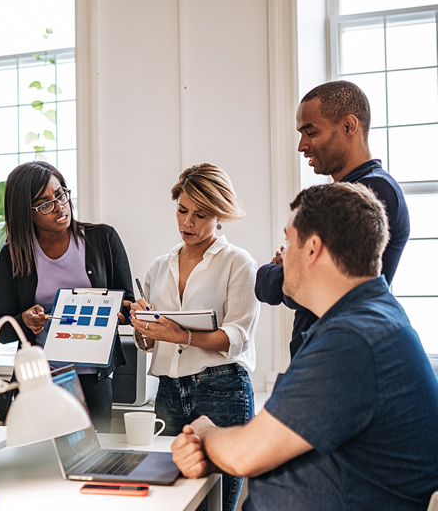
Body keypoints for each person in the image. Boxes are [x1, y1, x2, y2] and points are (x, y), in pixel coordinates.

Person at [172, 183, 438, 511]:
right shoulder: (368, 319)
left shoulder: (352, 341)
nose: (282, 255)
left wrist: (206, 434)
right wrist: (220, 451)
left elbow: (246, 453)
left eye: (288, 240)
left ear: (312, 248)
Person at [129, 163, 259, 511]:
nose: (188, 223)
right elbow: (152, 343)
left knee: (220, 503)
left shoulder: (238, 262)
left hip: (222, 390)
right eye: (182, 210)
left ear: (219, 215)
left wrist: (181, 335)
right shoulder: (159, 266)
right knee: (173, 501)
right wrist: (142, 328)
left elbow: (237, 337)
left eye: (200, 215)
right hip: (169, 393)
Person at [256, 80, 410, 357]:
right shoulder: (343, 192)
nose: (301, 146)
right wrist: (294, 263)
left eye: (310, 132)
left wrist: (276, 271)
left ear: (349, 126)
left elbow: (298, 286)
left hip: (343, 354)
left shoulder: (372, 191)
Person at [0, 161, 133, 433]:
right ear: (25, 213)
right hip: (40, 379)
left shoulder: (103, 239)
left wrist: (124, 311)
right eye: (44, 204)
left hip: (95, 376)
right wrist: (24, 320)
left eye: (61, 195)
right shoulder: (12, 256)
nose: (59, 207)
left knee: (95, 461)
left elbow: (127, 306)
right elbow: (1, 330)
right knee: (39, 462)